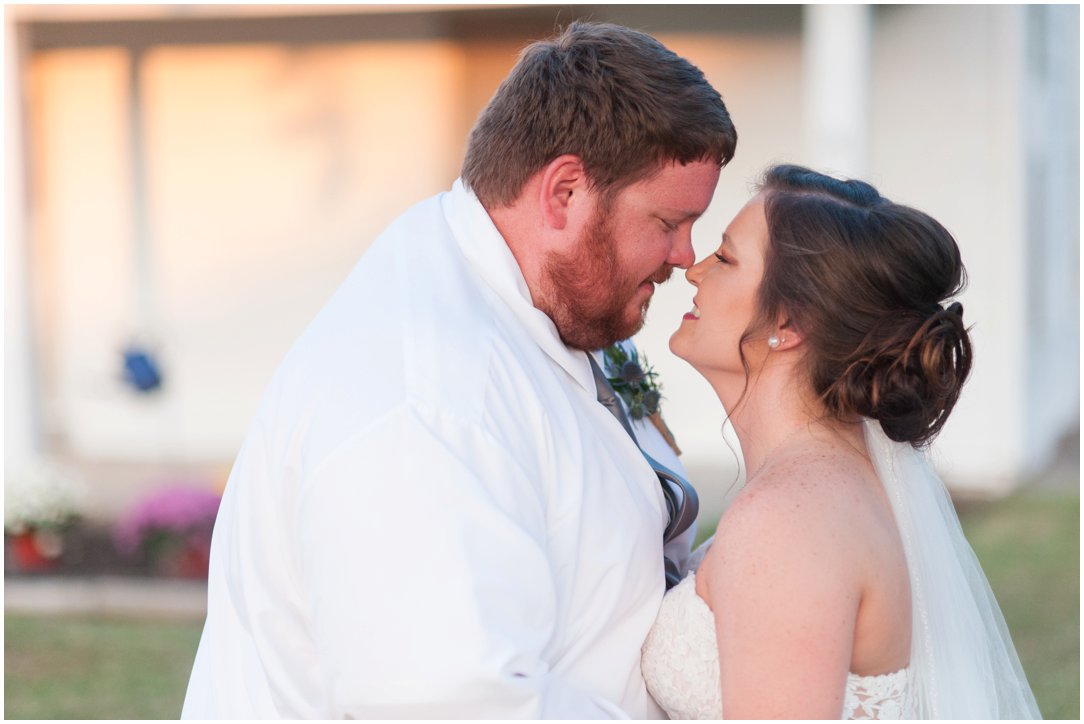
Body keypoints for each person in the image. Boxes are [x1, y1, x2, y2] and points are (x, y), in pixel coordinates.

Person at [182, 21, 736, 718]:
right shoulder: (421, 398)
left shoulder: (554, 309)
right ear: (564, 193)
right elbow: (452, 703)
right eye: (667, 222)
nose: (687, 256)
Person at [640, 164, 1041, 719]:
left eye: (726, 258)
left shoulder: (785, 521)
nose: (693, 270)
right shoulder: (835, 485)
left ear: (790, 322)